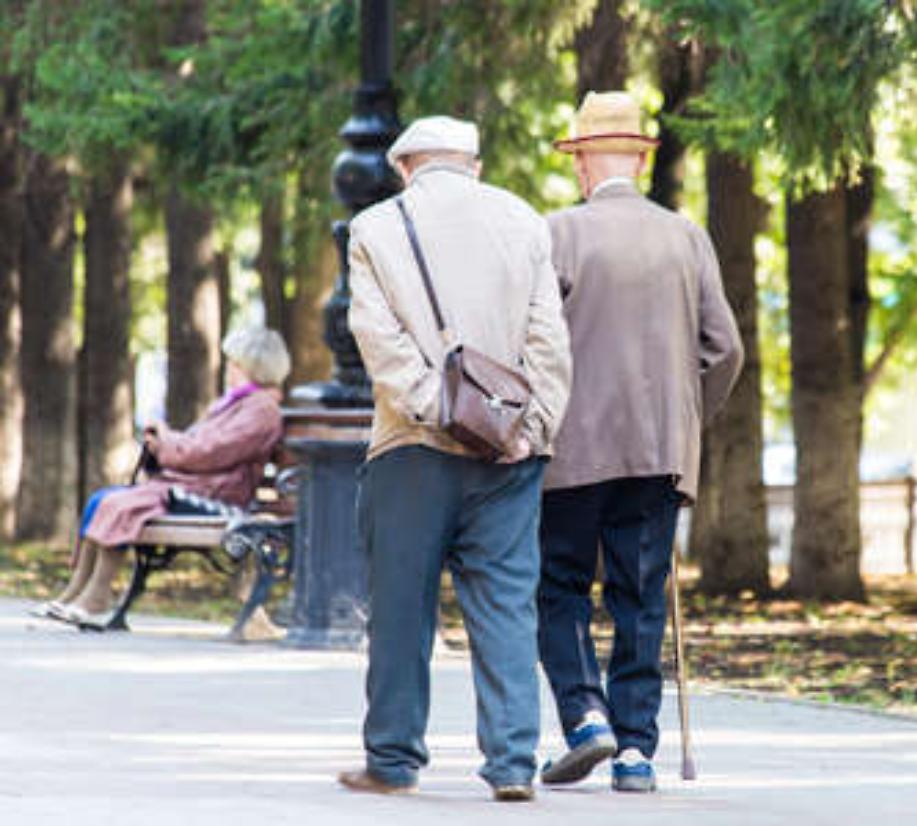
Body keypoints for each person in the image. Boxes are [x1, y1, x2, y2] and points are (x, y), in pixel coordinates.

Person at [337, 115, 571, 802]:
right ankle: (512, 764)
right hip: (510, 449)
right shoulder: (525, 220)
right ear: (473, 164)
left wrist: (438, 408)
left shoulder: (376, 228)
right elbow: (548, 340)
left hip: (411, 447)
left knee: (402, 607)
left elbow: (376, 341)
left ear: (406, 165)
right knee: (505, 602)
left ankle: (393, 759)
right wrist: (528, 425)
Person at [537, 91, 743, 793]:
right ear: (640, 159)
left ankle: (584, 715)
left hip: (572, 448)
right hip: (660, 448)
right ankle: (635, 750)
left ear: (585, 162)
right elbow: (726, 350)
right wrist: (689, 417)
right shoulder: (686, 236)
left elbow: (531, 342)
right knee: (639, 593)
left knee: (558, 585)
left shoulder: (557, 233)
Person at [33, 327, 289, 628]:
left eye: (235, 364)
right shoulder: (238, 403)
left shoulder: (261, 410)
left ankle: (97, 596)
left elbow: (211, 452)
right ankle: (77, 593)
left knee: (122, 504)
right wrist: (164, 441)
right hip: (199, 485)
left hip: (218, 493)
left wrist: (167, 443)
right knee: (104, 500)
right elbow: (200, 445)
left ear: (254, 368)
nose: (229, 369)